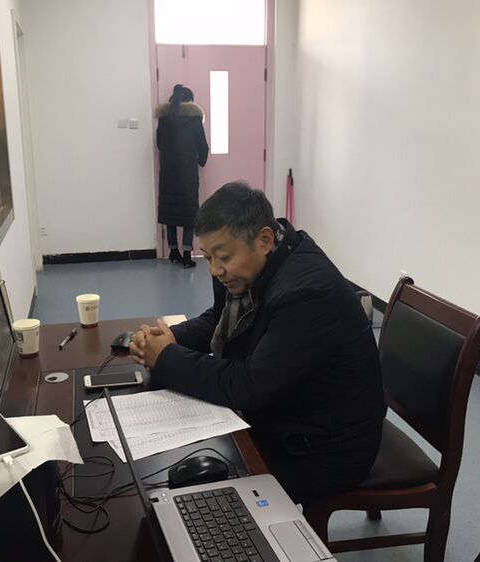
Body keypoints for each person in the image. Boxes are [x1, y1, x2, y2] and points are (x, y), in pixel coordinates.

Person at [129, 182, 386, 504]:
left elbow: (249, 386)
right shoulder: (261, 263)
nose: (214, 270)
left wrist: (166, 357)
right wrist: (171, 338)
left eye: (223, 257)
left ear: (264, 240)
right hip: (290, 415)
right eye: (207, 257)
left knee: (197, 494)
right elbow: (219, 319)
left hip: (322, 450)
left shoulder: (305, 293)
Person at [155, 84, 209, 268]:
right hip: (187, 173)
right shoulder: (194, 120)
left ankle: (173, 252)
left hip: (168, 173)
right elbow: (202, 145)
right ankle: (187, 254)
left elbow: (160, 144)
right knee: (188, 213)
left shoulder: (164, 120)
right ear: (189, 101)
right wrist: (201, 160)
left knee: (170, 211)